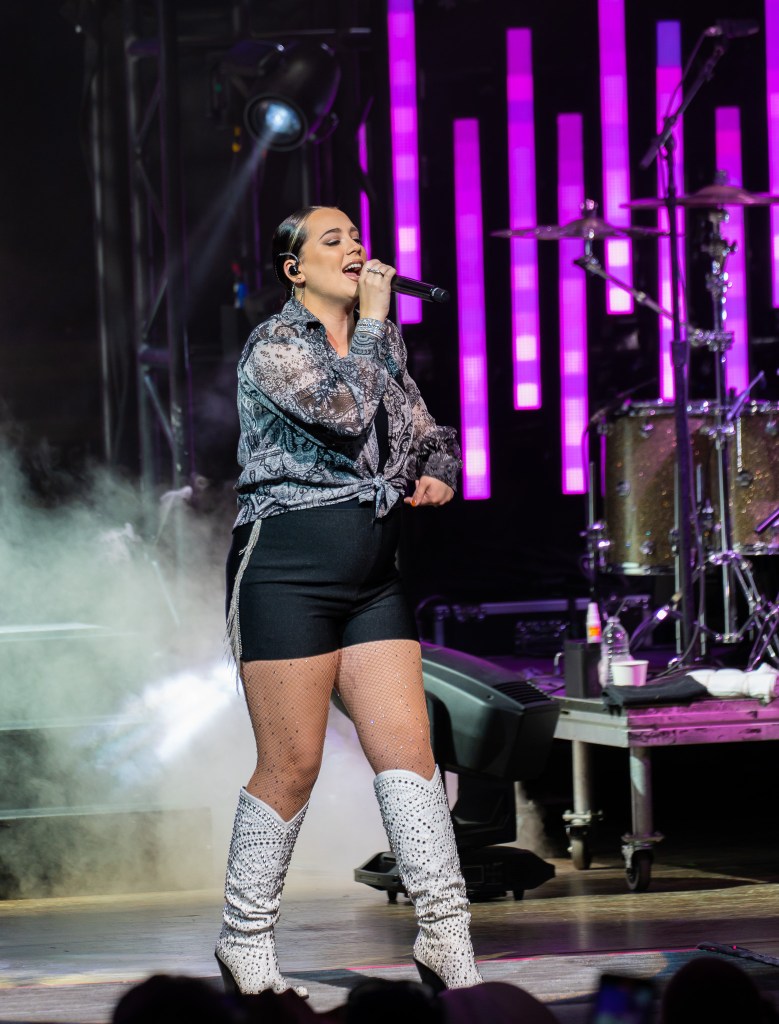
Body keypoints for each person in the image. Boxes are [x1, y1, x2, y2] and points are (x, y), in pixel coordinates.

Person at [215, 206, 482, 999]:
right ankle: (243, 940)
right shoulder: (273, 347)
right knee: (291, 764)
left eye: (356, 237)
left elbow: (426, 429)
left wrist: (439, 469)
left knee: (409, 754)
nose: (355, 248)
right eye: (332, 240)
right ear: (294, 269)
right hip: (286, 568)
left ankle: (445, 937)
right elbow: (342, 413)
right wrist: (369, 323)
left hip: (374, 574)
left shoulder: (383, 340)